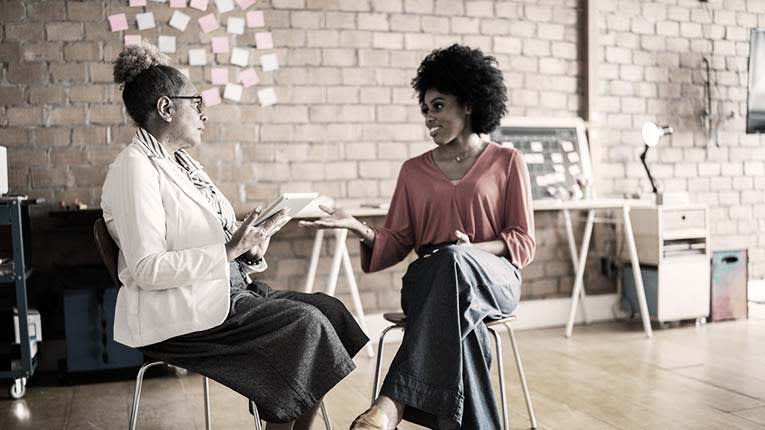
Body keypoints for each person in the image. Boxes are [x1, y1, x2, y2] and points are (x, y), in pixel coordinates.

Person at [101, 43, 368, 430]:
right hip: (183, 315)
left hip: (226, 294)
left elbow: (218, 246)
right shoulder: (134, 170)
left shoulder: (183, 164)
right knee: (304, 325)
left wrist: (250, 249)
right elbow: (146, 269)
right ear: (165, 108)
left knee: (328, 310)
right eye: (196, 102)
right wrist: (228, 250)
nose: (203, 113)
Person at [300, 44, 535, 430]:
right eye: (425, 110)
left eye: (438, 106)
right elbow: (398, 241)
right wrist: (359, 227)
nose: (429, 118)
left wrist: (470, 251)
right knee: (462, 325)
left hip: (492, 278)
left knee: (454, 262)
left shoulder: (508, 162)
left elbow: (522, 240)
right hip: (430, 282)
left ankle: (392, 402)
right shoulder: (412, 171)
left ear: (469, 103)